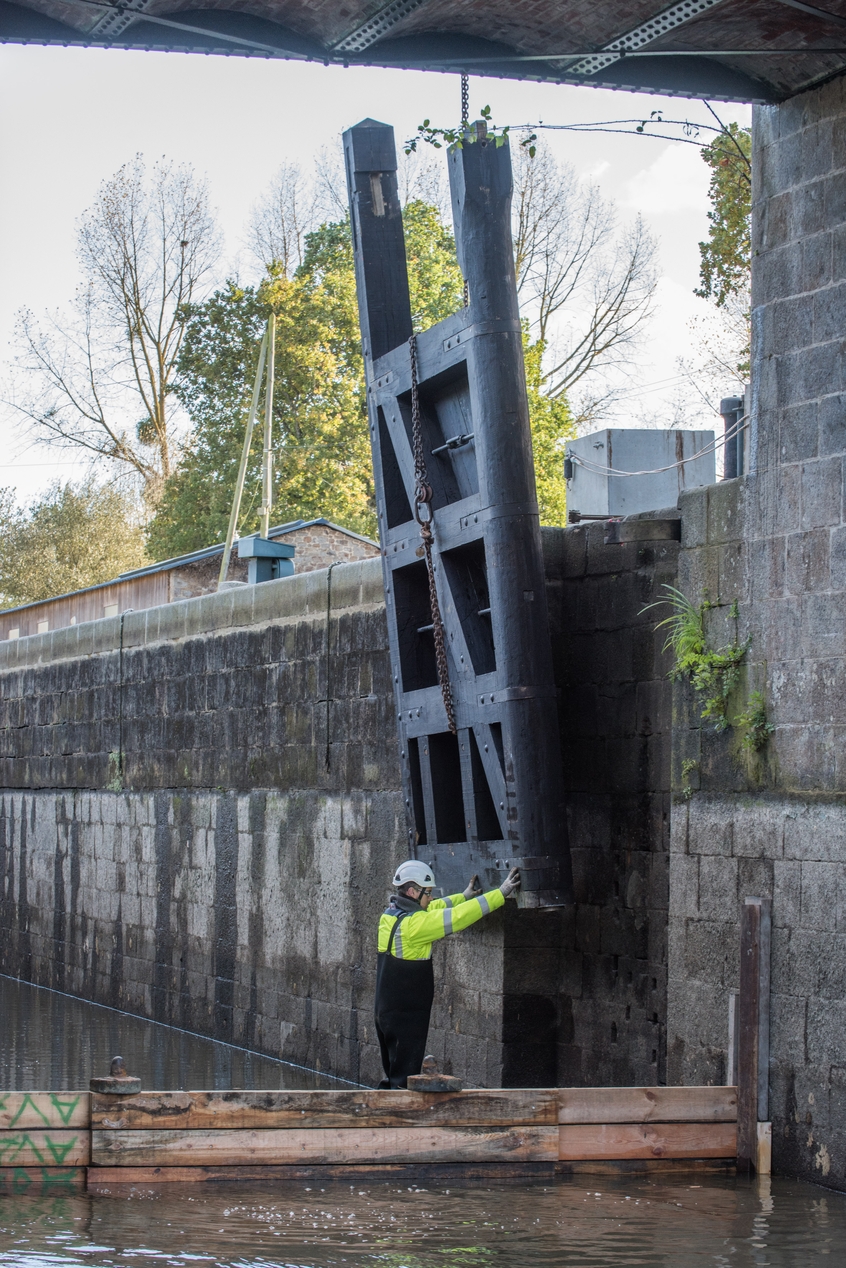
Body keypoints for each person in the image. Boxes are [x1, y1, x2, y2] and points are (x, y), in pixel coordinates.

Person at [374, 859, 521, 1089]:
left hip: (385, 1011)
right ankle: (398, 1110)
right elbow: (458, 917)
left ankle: (384, 1105)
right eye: (427, 892)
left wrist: (464, 896)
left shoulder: (390, 916)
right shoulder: (416, 926)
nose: (431, 897)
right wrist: (500, 894)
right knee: (403, 1080)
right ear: (413, 892)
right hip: (405, 1015)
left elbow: (435, 908)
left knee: (395, 1073)